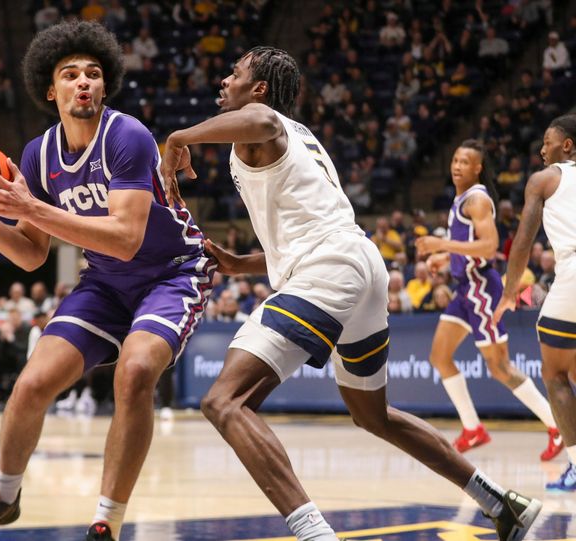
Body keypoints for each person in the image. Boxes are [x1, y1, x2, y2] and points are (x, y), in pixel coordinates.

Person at [160, 47, 539, 541]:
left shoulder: (265, 123)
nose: (225, 79)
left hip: (331, 268)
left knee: (223, 401)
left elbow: (259, 121)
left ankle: (315, 534)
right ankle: (500, 501)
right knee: (372, 414)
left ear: (259, 90)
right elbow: (312, 229)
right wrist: (245, 263)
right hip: (358, 264)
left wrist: (177, 138)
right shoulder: (303, 138)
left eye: (236, 73)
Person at [0, 21, 213, 541]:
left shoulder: (127, 136)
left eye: (93, 74)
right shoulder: (39, 155)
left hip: (170, 274)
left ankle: (106, 522)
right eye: (70, 74)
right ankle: (3, 495)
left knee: (133, 374)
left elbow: (127, 237)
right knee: (33, 382)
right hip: (105, 282)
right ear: (51, 90)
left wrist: (31, 206)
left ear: (104, 88)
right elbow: (33, 256)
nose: (83, 82)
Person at [415, 140, 561, 459]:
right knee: (440, 356)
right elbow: (467, 245)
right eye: (454, 159)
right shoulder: (462, 198)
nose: (457, 166)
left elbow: (488, 246)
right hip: (464, 287)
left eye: (464, 162)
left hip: (482, 289)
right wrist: (446, 260)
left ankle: (556, 426)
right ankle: (473, 429)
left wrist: (442, 245)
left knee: (500, 368)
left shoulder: (478, 199)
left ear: (478, 168)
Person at [496, 114, 576, 492]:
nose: (542, 148)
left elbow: (523, 242)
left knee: (555, 375)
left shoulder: (545, 179)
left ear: (568, 146)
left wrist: (511, 290)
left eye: (548, 141)